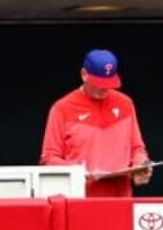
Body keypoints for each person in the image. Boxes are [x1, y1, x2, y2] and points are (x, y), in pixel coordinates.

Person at [39, 49, 154, 198]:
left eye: (109, 83)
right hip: (79, 199)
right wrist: (81, 172)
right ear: (84, 74)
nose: (103, 89)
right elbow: (49, 158)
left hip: (120, 198)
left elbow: (137, 148)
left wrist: (141, 165)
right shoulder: (61, 108)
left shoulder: (125, 103)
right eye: (98, 83)